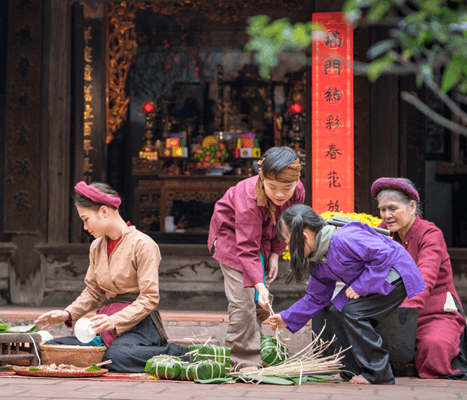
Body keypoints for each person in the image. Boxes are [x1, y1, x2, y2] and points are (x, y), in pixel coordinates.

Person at [35, 181, 186, 372]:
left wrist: (116, 320)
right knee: (55, 348)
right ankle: (108, 347)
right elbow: (93, 291)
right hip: (105, 324)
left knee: (116, 356)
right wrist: (68, 313)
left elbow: (149, 298)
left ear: (104, 211)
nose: (84, 227)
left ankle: (176, 353)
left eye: (86, 219)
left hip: (139, 325)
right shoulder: (96, 246)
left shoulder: (143, 244)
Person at [268, 204, 425, 385]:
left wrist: (360, 286)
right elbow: (316, 297)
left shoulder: (344, 237)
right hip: (372, 277)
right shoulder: (318, 260)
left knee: (352, 311)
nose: (288, 247)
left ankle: (378, 373)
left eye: (289, 241)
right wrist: (286, 318)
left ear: (304, 237)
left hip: (395, 273)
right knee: (335, 310)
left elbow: (383, 254)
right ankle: (350, 371)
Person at [207, 146, 305, 366]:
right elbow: (246, 248)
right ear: (262, 178)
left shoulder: (298, 190)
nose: (280, 194)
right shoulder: (247, 197)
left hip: (262, 239)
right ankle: (242, 360)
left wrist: (276, 254)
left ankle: (258, 344)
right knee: (243, 300)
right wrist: (259, 285)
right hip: (231, 239)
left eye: (287, 188)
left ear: (296, 182)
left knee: (261, 300)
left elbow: (287, 223)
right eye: (272, 187)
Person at [372, 177, 467, 379]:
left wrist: (404, 314)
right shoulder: (384, 232)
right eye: (382, 209)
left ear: (412, 206)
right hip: (392, 311)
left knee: (434, 347)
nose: (386, 215)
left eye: (392, 208)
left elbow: (425, 277)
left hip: (435, 312)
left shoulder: (431, 234)